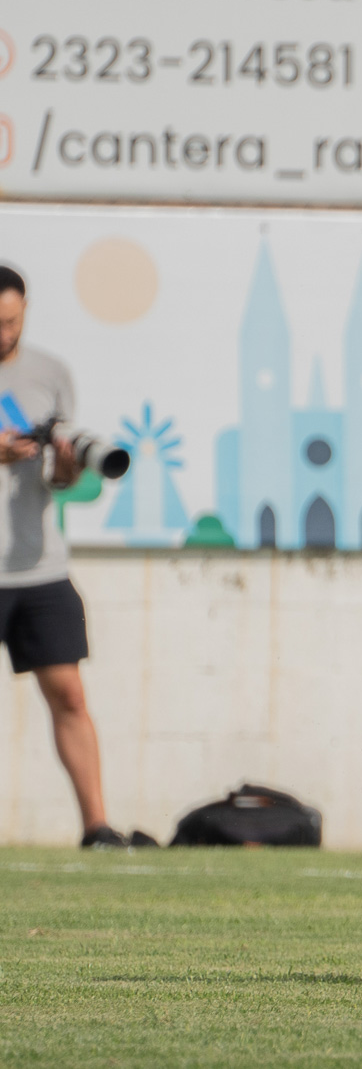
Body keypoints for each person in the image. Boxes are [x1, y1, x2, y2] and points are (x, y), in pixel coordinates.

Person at [0, 264, 128, 848]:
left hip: (39, 569)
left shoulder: (51, 373)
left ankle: (97, 828)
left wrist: (68, 466)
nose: (5, 333)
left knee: (70, 696)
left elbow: (57, 479)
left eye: (12, 322)